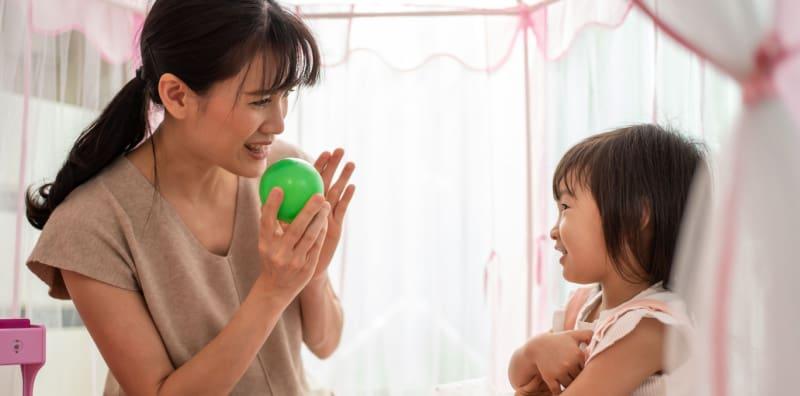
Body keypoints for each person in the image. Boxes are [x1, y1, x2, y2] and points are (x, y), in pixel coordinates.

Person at [24, 1, 355, 394]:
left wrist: (311, 272)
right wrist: (273, 291)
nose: (279, 122)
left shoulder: (284, 170)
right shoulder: (91, 225)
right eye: (260, 100)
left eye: (286, 95)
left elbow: (325, 343)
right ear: (178, 96)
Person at [508, 124, 704, 395]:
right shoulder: (582, 306)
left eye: (565, 207)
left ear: (634, 215)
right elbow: (520, 378)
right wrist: (533, 352)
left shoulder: (651, 328)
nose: (554, 230)